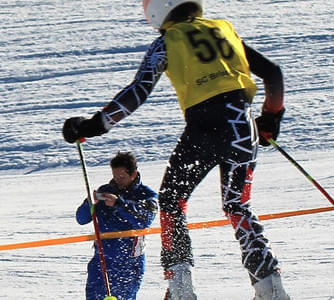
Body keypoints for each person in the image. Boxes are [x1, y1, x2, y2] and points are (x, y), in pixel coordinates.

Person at [63, 1, 289, 299]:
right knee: (237, 204)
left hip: (204, 127)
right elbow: (273, 74)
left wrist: (94, 126)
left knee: (172, 200)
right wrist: (271, 118)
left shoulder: (168, 41)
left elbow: (137, 91)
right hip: (241, 126)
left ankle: (181, 285)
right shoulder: (223, 30)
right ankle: (269, 284)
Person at [75, 151, 158, 300]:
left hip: (129, 264)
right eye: (115, 176)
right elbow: (81, 219)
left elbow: (144, 221)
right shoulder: (105, 191)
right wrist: (89, 203)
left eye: (122, 177)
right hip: (102, 261)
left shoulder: (146, 196)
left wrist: (120, 204)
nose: (118, 181)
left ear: (134, 174)